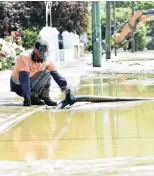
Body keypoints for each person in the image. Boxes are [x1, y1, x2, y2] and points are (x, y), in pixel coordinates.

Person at [10, 39, 76, 106]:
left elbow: (57, 76)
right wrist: (27, 99)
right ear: (35, 50)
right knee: (29, 83)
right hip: (18, 86)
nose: (43, 55)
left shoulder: (46, 60)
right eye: (41, 53)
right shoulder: (25, 57)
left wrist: (67, 91)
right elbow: (24, 81)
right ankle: (32, 97)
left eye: (44, 53)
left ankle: (45, 97)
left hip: (29, 81)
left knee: (47, 72)